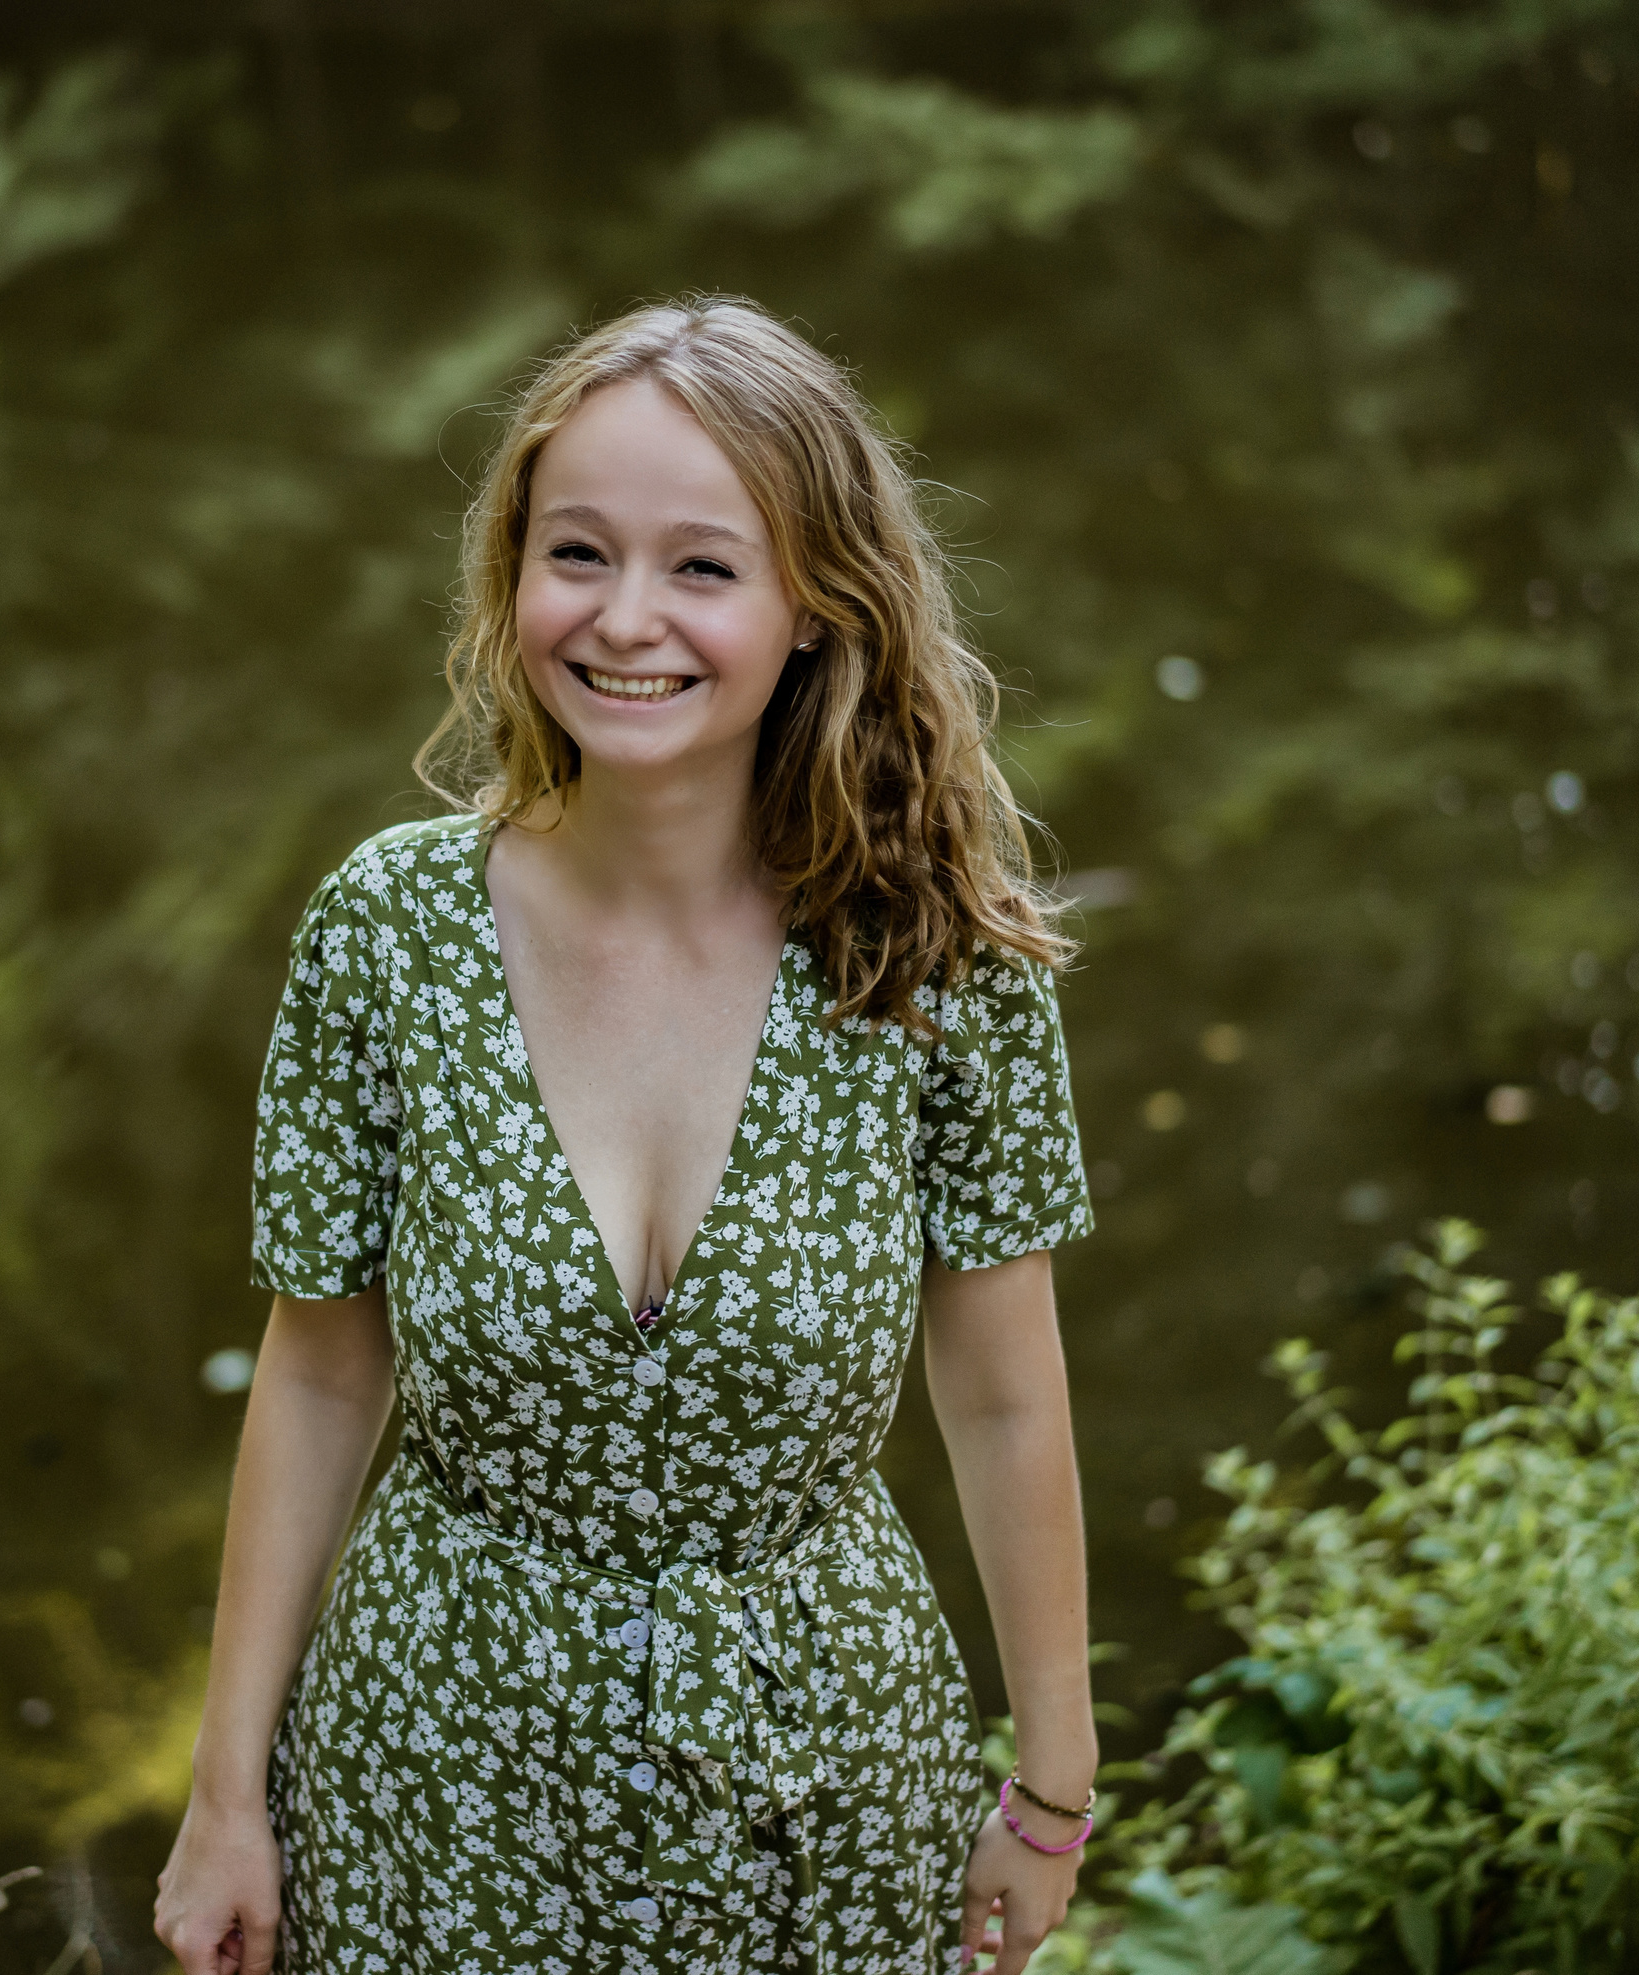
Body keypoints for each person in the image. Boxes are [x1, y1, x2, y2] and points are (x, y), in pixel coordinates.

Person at [154, 297, 1097, 1975]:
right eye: (577, 553)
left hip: (830, 1792)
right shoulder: (387, 932)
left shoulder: (931, 949)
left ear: (818, 604)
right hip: (433, 1790)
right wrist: (226, 1796)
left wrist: (1050, 1787)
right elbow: (313, 1377)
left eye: (704, 568)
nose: (625, 620)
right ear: (511, 574)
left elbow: (1007, 1396)